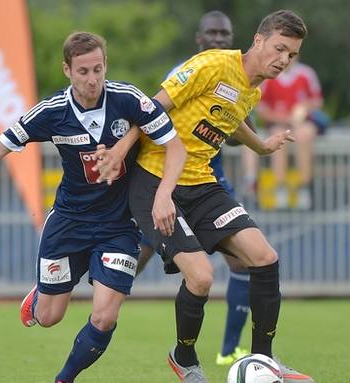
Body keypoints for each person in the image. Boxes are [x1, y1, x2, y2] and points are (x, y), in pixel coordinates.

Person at [0, 31, 186, 383]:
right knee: (49, 316)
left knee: (104, 317)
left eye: (98, 69)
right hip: (69, 222)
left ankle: (64, 378)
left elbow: (175, 146)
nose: (92, 79)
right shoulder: (51, 112)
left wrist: (164, 194)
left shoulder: (127, 98)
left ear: (106, 66)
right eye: (83, 71)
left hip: (119, 225)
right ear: (67, 70)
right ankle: (40, 296)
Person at [96, 10, 315, 383]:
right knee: (200, 278)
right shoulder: (212, 64)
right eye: (280, 49)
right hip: (154, 179)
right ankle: (184, 358)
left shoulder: (253, 90)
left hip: (202, 184)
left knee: (265, 258)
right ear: (258, 41)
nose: (284, 60)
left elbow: (234, 121)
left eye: (292, 55)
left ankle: (263, 359)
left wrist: (262, 147)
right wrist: (118, 152)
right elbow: (153, 106)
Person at [136, 10, 253, 367]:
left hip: (209, 182)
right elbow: (154, 115)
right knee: (135, 257)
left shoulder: (239, 81)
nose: (219, 39)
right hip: (165, 179)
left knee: (243, 261)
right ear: (199, 39)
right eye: (212, 33)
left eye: (225, 34)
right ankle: (78, 294)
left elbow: (237, 135)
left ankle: (230, 349)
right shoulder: (187, 72)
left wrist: (228, 125)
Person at [255, 58, 330, 210]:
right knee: (278, 135)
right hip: (278, 125)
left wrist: (304, 108)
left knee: (304, 134)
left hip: (301, 125)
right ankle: (280, 186)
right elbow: (261, 108)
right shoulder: (269, 75)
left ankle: (304, 186)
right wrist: (282, 118)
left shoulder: (306, 73)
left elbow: (317, 101)